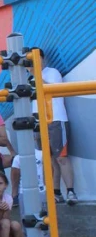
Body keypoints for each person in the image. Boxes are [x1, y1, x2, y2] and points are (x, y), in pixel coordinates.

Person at [33, 49, 78, 205]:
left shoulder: (52, 72)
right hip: (37, 123)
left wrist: (36, 75)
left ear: (43, 59)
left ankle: (71, 192)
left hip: (56, 120)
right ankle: (55, 193)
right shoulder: (26, 78)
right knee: (48, 159)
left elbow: (53, 91)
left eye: (36, 58)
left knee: (61, 158)